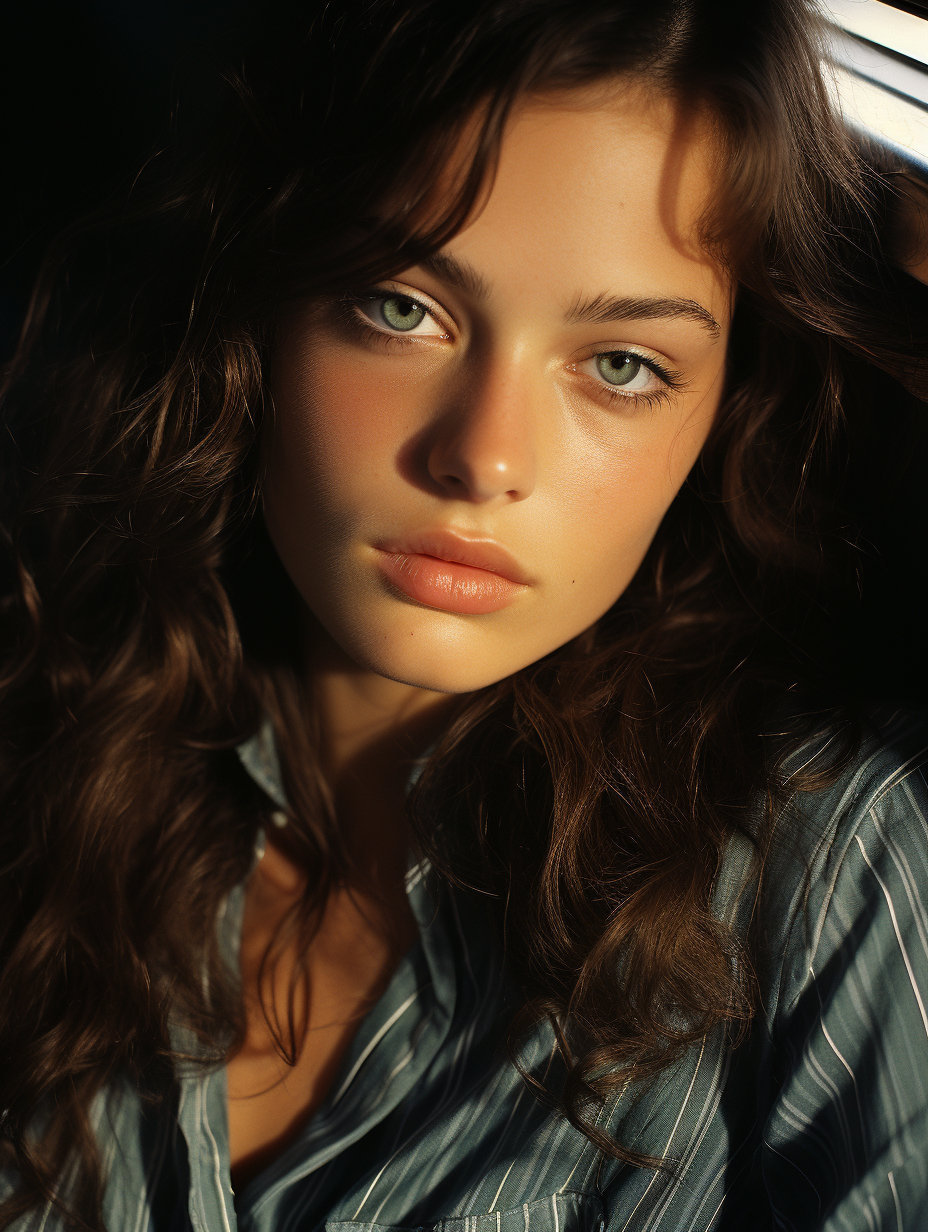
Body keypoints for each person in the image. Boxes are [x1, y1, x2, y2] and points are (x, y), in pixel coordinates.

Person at [1, 0, 927, 1228]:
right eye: (402, 307)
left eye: (620, 365)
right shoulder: (47, 737)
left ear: (717, 414)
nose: (483, 458)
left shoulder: (831, 866)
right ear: (256, 307)